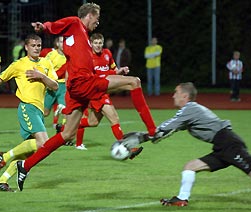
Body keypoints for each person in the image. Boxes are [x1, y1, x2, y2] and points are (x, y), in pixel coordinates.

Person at [16, 2, 156, 191]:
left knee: (66, 134)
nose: (97, 24)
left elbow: (76, 55)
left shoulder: (81, 38)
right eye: (96, 20)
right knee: (135, 82)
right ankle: (154, 130)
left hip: (76, 88)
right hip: (83, 84)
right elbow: (56, 26)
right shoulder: (75, 24)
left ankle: (25, 166)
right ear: (89, 15)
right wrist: (44, 26)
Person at [150, 82, 251, 207]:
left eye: (176, 92)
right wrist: (149, 136)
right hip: (221, 146)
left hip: (230, 145)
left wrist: (143, 136)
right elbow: (169, 130)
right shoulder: (190, 110)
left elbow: (166, 127)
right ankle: (181, 199)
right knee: (190, 166)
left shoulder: (190, 109)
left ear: (184, 95)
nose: (173, 96)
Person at [0, 34, 58, 191]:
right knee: (44, 143)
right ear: (26, 47)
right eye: (33, 45)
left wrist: (41, 76)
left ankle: (1, 181)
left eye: (39, 45)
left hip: (38, 110)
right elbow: (1, 78)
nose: (37, 48)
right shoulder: (19, 64)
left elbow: (55, 86)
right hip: (27, 107)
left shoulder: (46, 63)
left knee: (30, 152)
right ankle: (4, 157)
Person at [75, 33, 128, 150]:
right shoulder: (88, 57)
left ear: (102, 43)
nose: (98, 45)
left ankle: (68, 127)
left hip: (104, 92)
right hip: (96, 93)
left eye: (100, 43)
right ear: (91, 44)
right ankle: (125, 147)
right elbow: (95, 77)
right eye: (95, 43)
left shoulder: (107, 54)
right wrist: (113, 74)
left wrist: (121, 70)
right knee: (114, 119)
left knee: (93, 122)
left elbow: (114, 69)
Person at [44, 36, 67, 129]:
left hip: (64, 86)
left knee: (66, 111)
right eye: (61, 42)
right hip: (51, 86)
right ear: (57, 44)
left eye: (65, 42)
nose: (63, 44)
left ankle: (63, 132)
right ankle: (35, 129)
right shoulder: (51, 55)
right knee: (45, 112)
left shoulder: (70, 55)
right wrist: (47, 81)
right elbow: (44, 68)